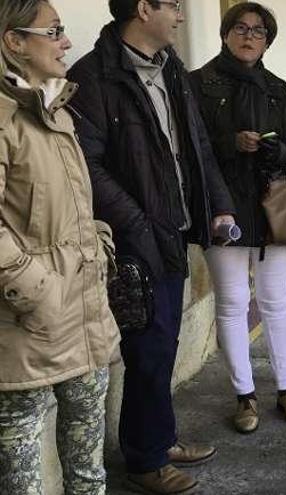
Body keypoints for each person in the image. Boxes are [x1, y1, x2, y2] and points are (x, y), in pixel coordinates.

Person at [67, 0, 237, 492]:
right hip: (137, 241)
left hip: (173, 231)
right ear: (143, 8)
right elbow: (87, 167)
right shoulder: (96, 76)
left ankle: (158, 439)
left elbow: (197, 145)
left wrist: (218, 206)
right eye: (173, 5)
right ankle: (144, 461)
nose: (182, 14)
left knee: (164, 344)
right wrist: (138, 225)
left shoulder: (170, 66)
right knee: (148, 349)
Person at [0, 1, 119, 493]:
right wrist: (38, 291)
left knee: (90, 476)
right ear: (14, 42)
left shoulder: (56, 106)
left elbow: (71, 204)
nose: (67, 42)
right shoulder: (5, 117)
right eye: (55, 31)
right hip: (30, 325)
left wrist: (100, 243)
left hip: (86, 315)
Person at [191, 2, 286, 435]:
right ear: (225, 34)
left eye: (258, 31)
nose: (248, 36)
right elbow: (191, 149)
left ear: (267, 41)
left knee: (276, 299)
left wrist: (275, 150)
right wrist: (230, 143)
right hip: (221, 205)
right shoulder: (198, 83)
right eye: (240, 28)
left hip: (269, 204)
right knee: (232, 301)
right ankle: (244, 395)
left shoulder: (276, 86)